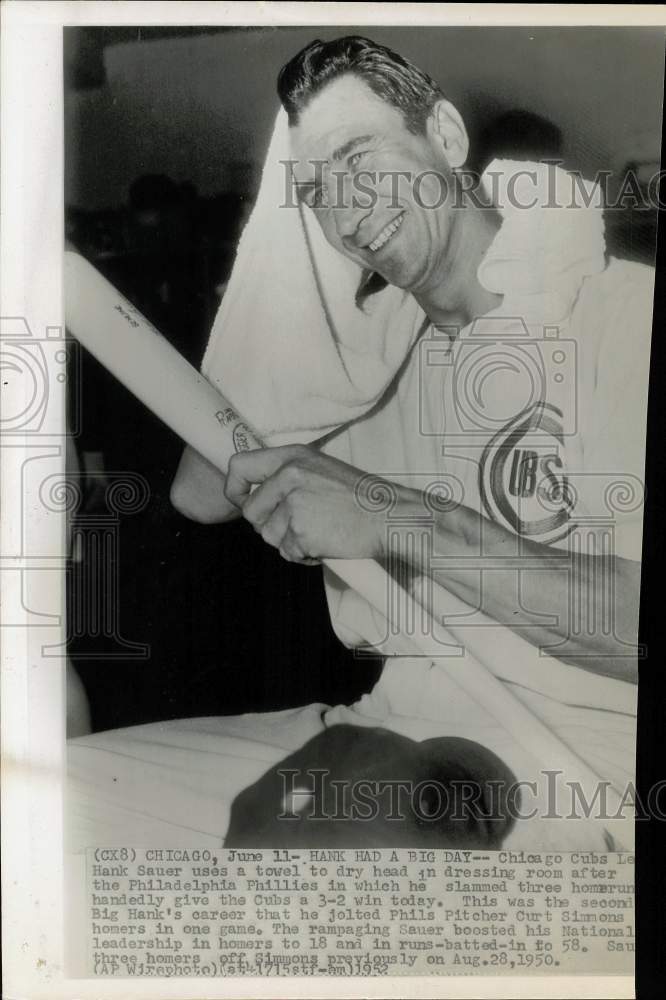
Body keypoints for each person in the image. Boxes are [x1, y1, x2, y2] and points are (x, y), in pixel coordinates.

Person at [69, 36, 653, 851]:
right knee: (53, 803)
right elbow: (200, 494)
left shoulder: (628, 316)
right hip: (396, 722)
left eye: (361, 154)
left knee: (286, 866)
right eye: (314, 192)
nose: (345, 211)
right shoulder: (366, 356)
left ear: (446, 135)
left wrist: (386, 514)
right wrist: (323, 301)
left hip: (589, 766)